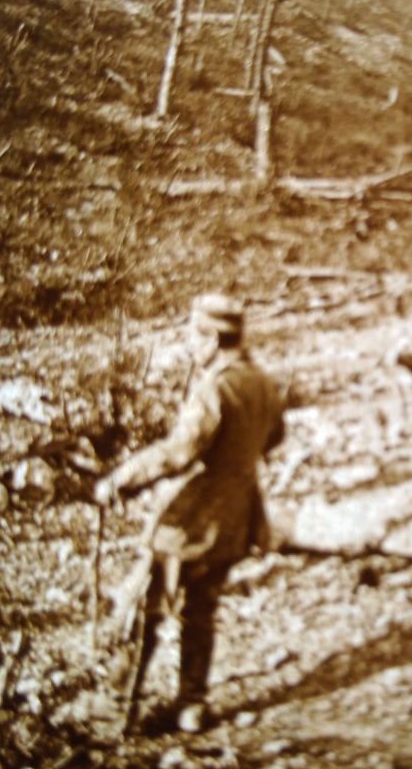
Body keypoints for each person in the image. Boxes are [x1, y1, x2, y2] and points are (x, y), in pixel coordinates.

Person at [94, 293, 284, 732]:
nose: (188, 347)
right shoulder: (262, 382)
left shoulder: (214, 387)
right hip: (239, 517)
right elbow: (274, 438)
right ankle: (192, 704)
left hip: (195, 520)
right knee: (201, 607)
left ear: (214, 338)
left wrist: (120, 479)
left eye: (193, 338)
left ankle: (118, 709)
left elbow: (179, 452)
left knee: (148, 605)